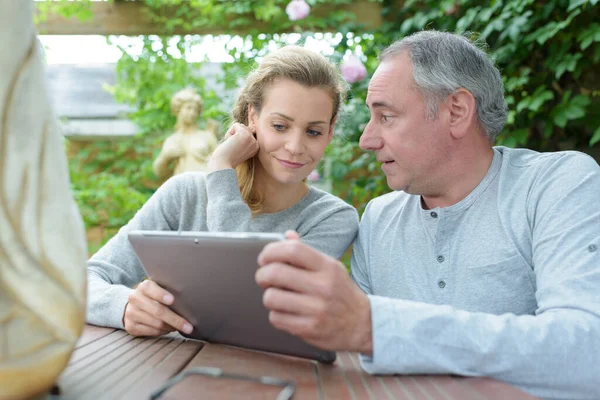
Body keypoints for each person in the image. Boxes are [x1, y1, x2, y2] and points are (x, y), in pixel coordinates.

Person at [256, 31, 600, 400]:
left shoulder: (555, 185)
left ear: (456, 111)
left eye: (386, 116)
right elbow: (347, 355)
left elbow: (587, 351)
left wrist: (375, 327)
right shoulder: (379, 217)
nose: (367, 140)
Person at [86, 46, 359, 338]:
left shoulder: (333, 219)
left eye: (313, 132)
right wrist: (124, 307)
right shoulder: (184, 194)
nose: (295, 145)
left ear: (329, 133)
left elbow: (245, 299)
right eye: (280, 126)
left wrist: (220, 165)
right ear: (253, 117)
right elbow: (85, 281)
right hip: (165, 367)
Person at [152, 87, 219, 179]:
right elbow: (159, 172)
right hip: (181, 188)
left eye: (195, 110)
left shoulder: (207, 136)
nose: (192, 113)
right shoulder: (172, 140)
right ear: (178, 109)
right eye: (189, 108)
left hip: (203, 186)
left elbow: (220, 164)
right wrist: (165, 157)